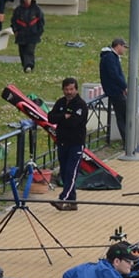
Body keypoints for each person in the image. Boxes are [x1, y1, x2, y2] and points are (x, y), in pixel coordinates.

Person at [46, 76, 89, 210]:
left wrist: (62, 119)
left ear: (76, 89)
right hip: (62, 143)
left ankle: (62, 199)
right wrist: (64, 116)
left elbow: (74, 122)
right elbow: (50, 118)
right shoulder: (60, 103)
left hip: (75, 144)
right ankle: (73, 201)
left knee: (71, 172)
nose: (69, 92)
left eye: (71, 89)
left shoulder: (81, 105)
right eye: (66, 89)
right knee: (64, 173)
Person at [97, 38, 129, 144]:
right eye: (124, 47)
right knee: (124, 115)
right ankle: (127, 141)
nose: (125, 50)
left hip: (115, 90)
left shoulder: (111, 56)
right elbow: (114, 75)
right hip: (115, 91)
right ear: (118, 46)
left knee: (122, 115)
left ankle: (127, 141)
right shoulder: (110, 57)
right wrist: (124, 87)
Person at [11, 0, 45, 71]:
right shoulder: (18, 10)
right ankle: (25, 65)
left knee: (29, 50)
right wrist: (15, 31)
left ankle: (29, 65)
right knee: (22, 51)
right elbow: (13, 22)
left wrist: (39, 32)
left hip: (33, 34)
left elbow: (41, 22)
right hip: (21, 35)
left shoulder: (37, 9)